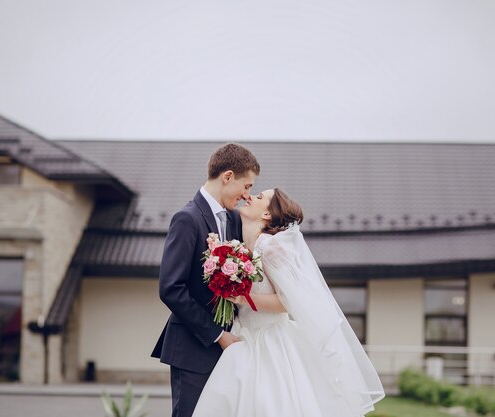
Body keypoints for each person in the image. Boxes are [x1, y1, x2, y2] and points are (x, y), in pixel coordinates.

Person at [192, 188, 385, 417]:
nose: (250, 197)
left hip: (270, 341)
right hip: (243, 336)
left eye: (260, 197)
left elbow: (290, 301)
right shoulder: (241, 247)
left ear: (266, 215)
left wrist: (244, 297)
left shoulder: (271, 247)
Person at [151, 143, 260, 417]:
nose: (248, 195)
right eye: (246, 186)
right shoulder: (187, 219)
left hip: (230, 351)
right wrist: (217, 335)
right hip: (193, 349)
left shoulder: (235, 220)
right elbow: (170, 288)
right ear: (227, 177)